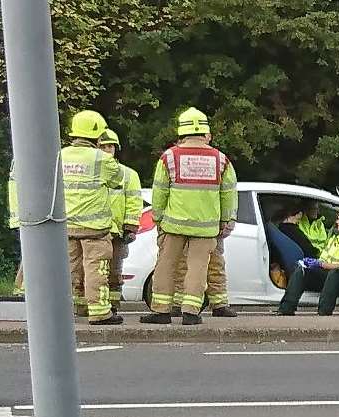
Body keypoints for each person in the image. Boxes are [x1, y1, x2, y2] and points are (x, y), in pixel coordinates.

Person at [140, 107, 237, 325]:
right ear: (205, 132)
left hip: (173, 224)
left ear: (181, 132)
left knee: (165, 266)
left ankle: (161, 311)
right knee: (198, 267)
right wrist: (225, 221)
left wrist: (158, 218)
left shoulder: (169, 157)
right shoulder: (221, 160)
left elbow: (160, 191)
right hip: (205, 227)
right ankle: (191, 312)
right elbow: (228, 194)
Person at [62, 110, 124, 325]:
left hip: (66, 226)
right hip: (94, 228)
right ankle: (99, 312)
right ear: (97, 135)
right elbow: (117, 179)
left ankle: (72, 308)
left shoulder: (59, 155)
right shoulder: (102, 159)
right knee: (97, 269)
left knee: (71, 268)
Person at [98, 129, 143, 315]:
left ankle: (114, 305)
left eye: (111, 146)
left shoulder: (128, 174)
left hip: (117, 233)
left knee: (114, 273)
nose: (107, 150)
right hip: (95, 230)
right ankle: (90, 306)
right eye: (103, 146)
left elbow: (134, 201)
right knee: (91, 271)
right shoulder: (91, 171)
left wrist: (130, 227)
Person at [276, 210, 339, 316]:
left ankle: (324, 312)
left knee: (335, 272)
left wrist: (320, 264)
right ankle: (286, 308)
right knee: (302, 269)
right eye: (337, 219)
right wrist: (311, 263)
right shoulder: (334, 238)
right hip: (326, 275)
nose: (337, 222)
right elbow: (323, 259)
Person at [171, 220, 238, 318]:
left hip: (210, 227)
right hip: (196, 226)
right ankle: (179, 304)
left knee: (215, 265)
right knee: (184, 266)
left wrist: (228, 223)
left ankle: (219, 304)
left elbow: (229, 206)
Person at [8, 159, 24, 298]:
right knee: (33, 254)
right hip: (30, 217)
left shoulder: (23, 153)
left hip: (24, 215)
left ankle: (21, 288)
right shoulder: (32, 154)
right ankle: (22, 288)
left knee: (29, 253)